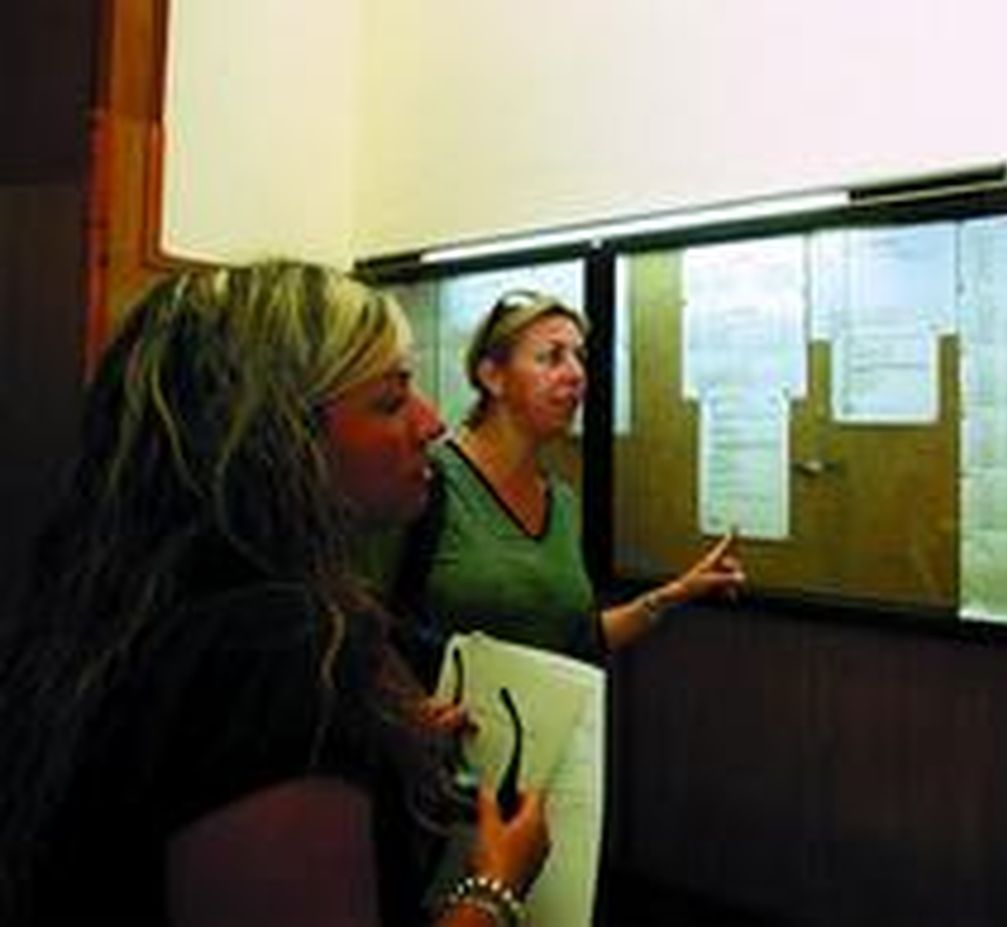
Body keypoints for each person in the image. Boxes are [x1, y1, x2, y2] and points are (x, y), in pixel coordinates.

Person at [0, 261, 551, 927]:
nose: (431, 423)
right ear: (279, 440)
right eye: (389, 399)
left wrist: (368, 744)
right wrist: (493, 888)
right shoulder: (275, 647)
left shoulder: (122, 604)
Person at [392, 288, 745, 677]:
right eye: (551, 357)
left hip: (539, 733)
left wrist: (676, 594)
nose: (576, 374)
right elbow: (373, 626)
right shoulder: (427, 479)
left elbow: (579, 639)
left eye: (579, 358)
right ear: (493, 376)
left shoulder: (562, 503)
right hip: (437, 731)